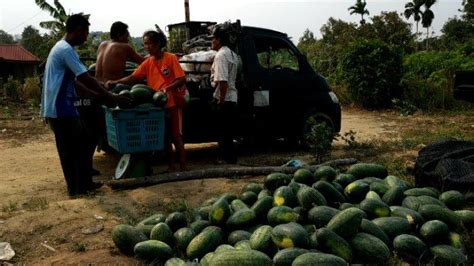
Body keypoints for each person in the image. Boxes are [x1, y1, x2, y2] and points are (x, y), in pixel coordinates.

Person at [40, 14, 130, 197]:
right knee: (72, 149)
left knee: (82, 143)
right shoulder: (66, 50)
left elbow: (75, 82)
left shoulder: (61, 47)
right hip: (60, 108)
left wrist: (98, 96)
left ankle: (84, 184)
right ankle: (76, 189)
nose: (86, 37)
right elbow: (84, 78)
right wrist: (109, 96)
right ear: (79, 30)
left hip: (62, 106)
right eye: (86, 32)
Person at [106, 30, 187, 172]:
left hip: (172, 102)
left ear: (158, 44)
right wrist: (116, 82)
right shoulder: (148, 62)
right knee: (165, 137)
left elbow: (182, 79)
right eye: (145, 44)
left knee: (176, 136)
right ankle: (171, 166)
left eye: (149, 43)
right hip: (157, 105)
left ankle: (183, 166)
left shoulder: (171, 58)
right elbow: (133, 77)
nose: (146, 47)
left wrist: (166, 89)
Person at [76, 21, 145, 176]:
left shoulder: (102, 44)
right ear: (120, 35)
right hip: (111, 91)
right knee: (131, 112)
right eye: (126, 35)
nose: (128, 38)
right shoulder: (124, 47)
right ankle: (132, 157)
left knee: (92, 131)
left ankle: (87, 165)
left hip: (96, 88)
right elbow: (144, 62)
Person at [210, 26, 239, 164]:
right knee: (229, 130)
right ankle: (231, 157)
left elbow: (222, 80)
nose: (212, 42)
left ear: (219, 40)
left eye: (213, 39)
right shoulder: (233, 54)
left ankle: (224, 158)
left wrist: (221, 100)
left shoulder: (220, 56)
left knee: (223, 130)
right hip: (233, 96)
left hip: (225, 98)